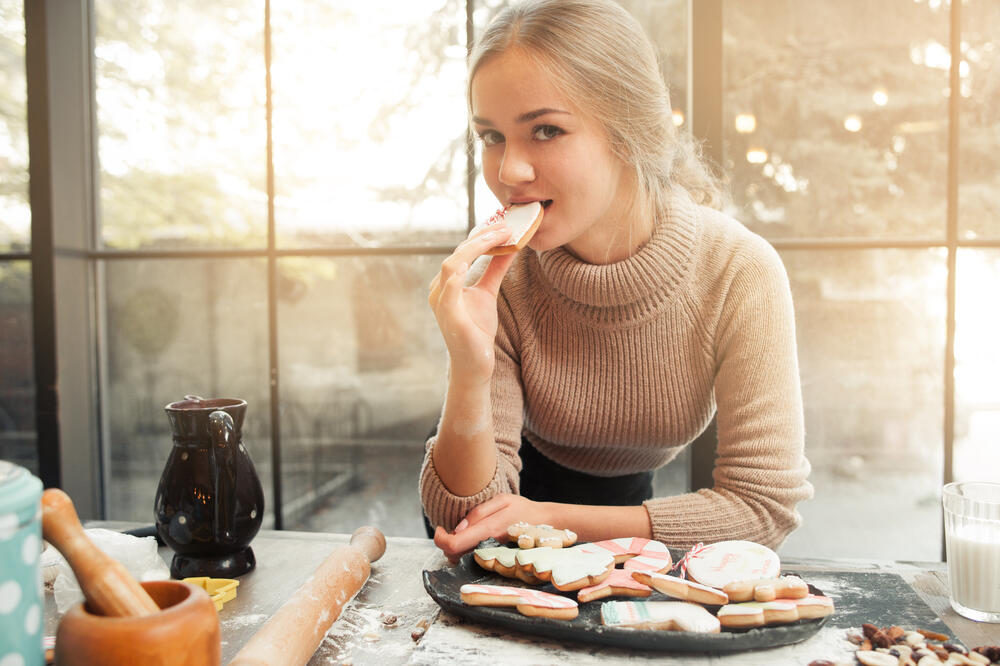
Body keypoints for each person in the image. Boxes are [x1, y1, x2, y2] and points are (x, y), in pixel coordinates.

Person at [420, 0, 812, 561]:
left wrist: (549, 519)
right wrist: (468, 368)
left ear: (628, 131)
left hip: (618, 519)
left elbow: (762, 509)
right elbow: (463, 518)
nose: (509, 172)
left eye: (546, 130)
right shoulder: (499, 282)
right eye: (491, 137)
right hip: (490, 522)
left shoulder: (739, 271)